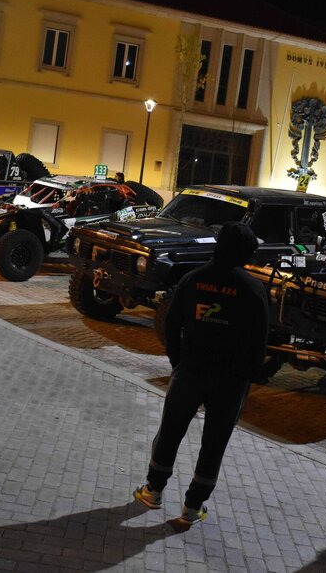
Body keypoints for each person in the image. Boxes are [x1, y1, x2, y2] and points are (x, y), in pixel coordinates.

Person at [133, 222, 270, 525]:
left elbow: (171, 324)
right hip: (230, 381)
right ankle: (192, 507)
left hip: (191, 370)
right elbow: (259, 342)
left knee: (170, 431)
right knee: (214, 444)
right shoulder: (253, 289)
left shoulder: (193, 279)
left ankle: (153, 491)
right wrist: (247, 376)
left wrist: (178, 361)